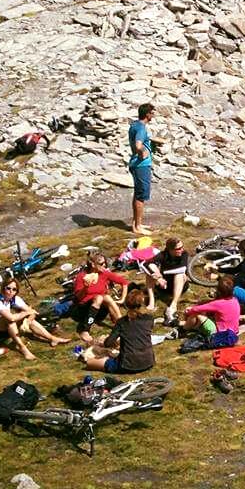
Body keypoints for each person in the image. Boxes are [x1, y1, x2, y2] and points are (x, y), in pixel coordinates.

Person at [77, 283, 156, 373]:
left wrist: (106, 341)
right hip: (149, 361)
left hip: (127, 365)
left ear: (126, 305)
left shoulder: (122, 322)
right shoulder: (149, 319)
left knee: (90, 362)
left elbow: (108, 343)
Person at [0, 280, 63, 360]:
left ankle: (52, 338)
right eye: (8, 288)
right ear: (2, 289)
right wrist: (26, 313)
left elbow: (32, 312)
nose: (11, 291)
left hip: (0, 330)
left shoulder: (14, 299)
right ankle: (23, 348)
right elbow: (11, 317)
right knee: (10, 320)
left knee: (22, 317)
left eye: (14, 289)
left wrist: (27, 322)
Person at [70, 251, 128, 341]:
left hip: (99, 310)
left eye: (105, 262)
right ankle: (85, 330)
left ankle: (121, 324)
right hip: (84, 310)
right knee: (100, 297)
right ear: (93, 264)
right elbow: (78, 297)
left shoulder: (104, 273)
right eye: (101, 263)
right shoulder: (82, 276)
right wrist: (85, 287)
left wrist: (122, 299)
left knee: (106, 297)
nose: (104, 265)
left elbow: (124, 282)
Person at [180, 279, 241, 350]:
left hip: (220, 333)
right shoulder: (234, 300)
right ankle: (190, 326)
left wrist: (188, 311)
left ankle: (182, 330)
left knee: (195, 314)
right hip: (234, 332)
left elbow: (196, 309)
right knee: (205, 314)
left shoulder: (219, 304)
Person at [141, 237, 190, 324]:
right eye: (178, 248)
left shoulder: (184, 254)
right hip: (164, 284)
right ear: (170, 250)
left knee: (179, 275)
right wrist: (158, 277)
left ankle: (173, 304)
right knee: (150, 273)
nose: (181, 249)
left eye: (182, 247)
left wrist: (161, 276)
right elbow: (145, 264)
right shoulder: (163, 254)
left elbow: (182, 269)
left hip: (180, 285)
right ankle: (151, 302)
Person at [128, 103, 157, 235]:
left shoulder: (135, 125)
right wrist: (142, 152)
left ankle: (137, 223)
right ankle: (137, 226)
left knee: (138, 195)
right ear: (147, 114)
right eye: (152, 112)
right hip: (141, 165)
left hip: (137, 165)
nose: (153, 115)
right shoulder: (141, 128)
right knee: (141, 196)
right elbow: (138, 144)